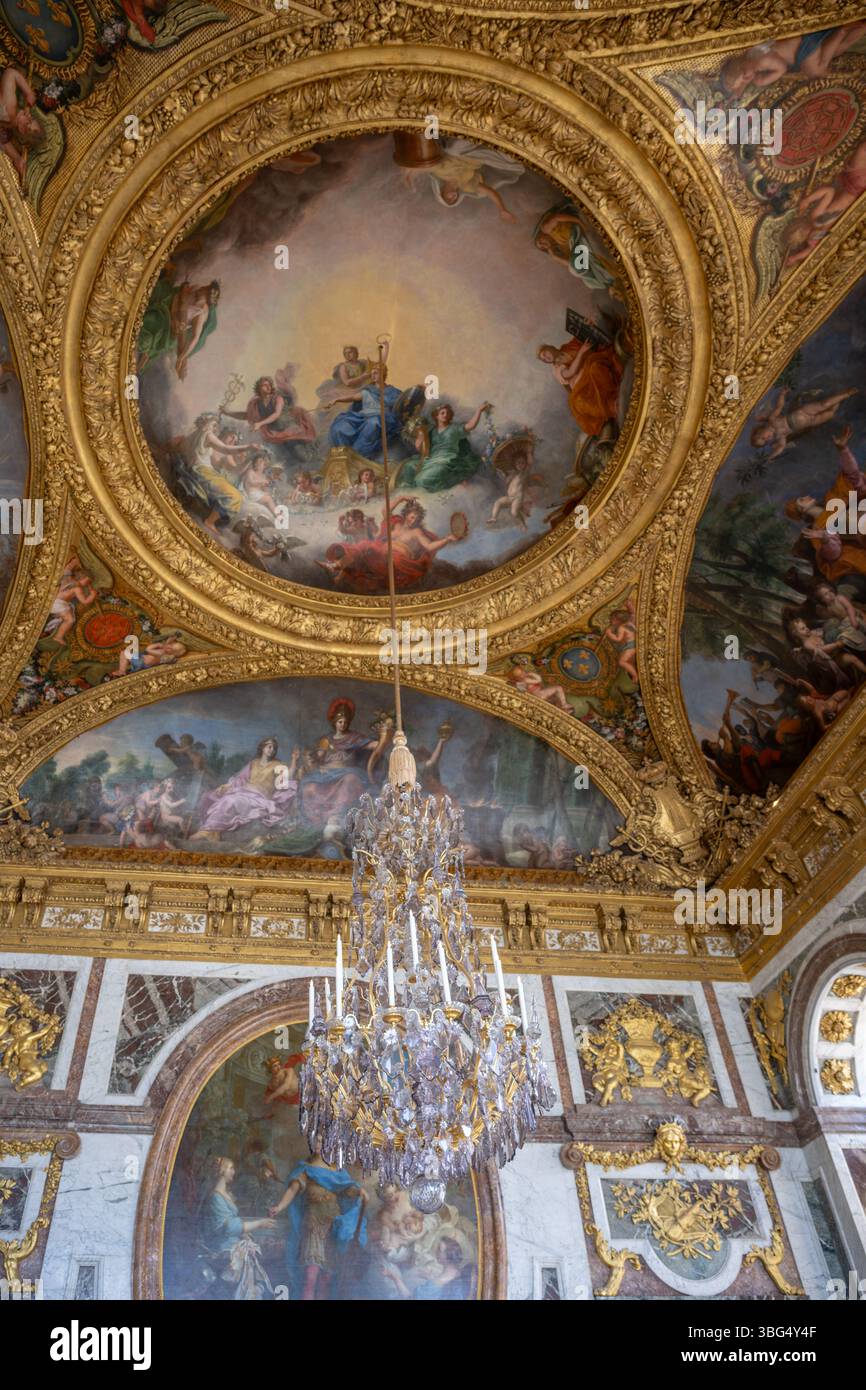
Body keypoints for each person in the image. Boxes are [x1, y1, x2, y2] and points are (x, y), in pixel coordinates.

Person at [268, 1155, 367, 1301]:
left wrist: (360, 1192)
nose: (319, 1144)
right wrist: (279, 1206)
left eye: (322, 1140)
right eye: (316, 1140)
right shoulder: (306, 1168)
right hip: (313, 1224)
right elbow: (292, 1190)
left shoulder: (336, 1169)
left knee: (325, 1280)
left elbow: (348, 1189)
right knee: (311, 1275)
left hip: (332, 1226)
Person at [298, 699, 388, 826]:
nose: (343, 724)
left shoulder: (354, 738)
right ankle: (316, 821)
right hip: (326, 774)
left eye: (346, 722)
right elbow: (318, 758)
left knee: (351, 779)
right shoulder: (326, 740)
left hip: (345, 771)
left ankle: (337, 816)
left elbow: (377, 746)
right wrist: (316, 763)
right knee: (308, 787)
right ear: (335, 722)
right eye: (340, 722)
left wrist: (383, 736)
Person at [190, 737, 300, 840]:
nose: (272, 749)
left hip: (260, 798)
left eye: (274, 748)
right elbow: (240, 779)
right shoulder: (253, 763)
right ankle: (211, 831)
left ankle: (209, 830)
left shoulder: (278, 764)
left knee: (231, 800)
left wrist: (294, 760)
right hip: (244, 792)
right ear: (262, 747)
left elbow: (286, 779)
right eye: (269, 746)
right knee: (216, 797)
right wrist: (228, 785)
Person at [201, 1156, 276, 1301]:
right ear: (222, 1171)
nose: (234, 1172)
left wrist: (244, 1235)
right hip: (223, 1246)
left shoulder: (225, 1194)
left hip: (233, 1242)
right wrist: (259, 1223)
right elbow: (229, 1227)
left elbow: (234, 1223)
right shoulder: (216, 1197)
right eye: (231, 1168)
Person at [720, 23, 866, 97]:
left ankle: (842, 30)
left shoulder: (760, 60)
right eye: (746, 81)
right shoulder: (755, 61)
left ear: (741, 63)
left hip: (802, 47)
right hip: (801, 53)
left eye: (744, 74)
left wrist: (765, 80)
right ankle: (861, 26)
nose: (749, 77)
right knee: (838, 50)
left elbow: (781, 67)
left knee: (815, 71)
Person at [537, 337, 623, 439]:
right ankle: (612, 407)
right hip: (581, 386)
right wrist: (581, 352)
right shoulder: (556, 369)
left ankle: (614, 393)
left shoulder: (567, 347)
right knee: (579, 401)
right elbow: (570, 372)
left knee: (596, 367)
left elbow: (581, 337)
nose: (546, 358)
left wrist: (588, 324)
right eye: (544, 359)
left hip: (590, 367)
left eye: (545, 354)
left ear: (550, 348)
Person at [138, 278, 220, 379]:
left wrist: (181, 358)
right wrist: (173, 315)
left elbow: (195, 337)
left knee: (151, 332)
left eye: (206, 288)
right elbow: (177, 297)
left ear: (207, 295)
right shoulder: (196, 289)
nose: (203, 287)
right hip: (167, 310)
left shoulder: (201, 312)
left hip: (170, 328)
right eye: (206, 286)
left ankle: (144, 354)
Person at [398, 402, 491, 492]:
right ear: (436, 416)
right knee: (409, 466)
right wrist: (421, 435)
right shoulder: (432, 431)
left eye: (447, 413)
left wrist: (479, 410)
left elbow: (471, 425)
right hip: (430, 459)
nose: (445, 415)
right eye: (442, 413)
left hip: (446, 461)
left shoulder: (454, 428)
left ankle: (421, 491)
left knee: (422, 479)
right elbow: (421, 449)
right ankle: (407, 492)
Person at [750, 387, 857, 459]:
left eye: (762, 438)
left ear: (759, 431)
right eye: (765, 442)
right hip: (810, 422)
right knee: (830, 414)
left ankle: (846, 394)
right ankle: (840, 396)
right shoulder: (780, 436)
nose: (767, 439)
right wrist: (771, 456)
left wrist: (782, 394)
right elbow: (781, 447)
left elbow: (779, 406)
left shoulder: (772, 420)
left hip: (803, 411)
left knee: (824, 404)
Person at [327, 362, 405, 459]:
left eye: (375, 373)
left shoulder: (393, 392)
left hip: (381, 417)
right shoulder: (369, 390)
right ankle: (344, 453)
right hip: (363, 417)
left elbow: (401, 405)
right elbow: (353, 397)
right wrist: (337, 399)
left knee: (373, 423)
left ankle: (357, 454)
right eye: (372, 374)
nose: (373, 376)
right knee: (340, 425)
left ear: (383, 374)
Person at [222, 376, 316, 449]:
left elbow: (276, 414)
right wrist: (228, 413)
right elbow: (246, 416)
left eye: (269, 385)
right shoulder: (255, 404)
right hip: (275, 435)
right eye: (264, 385)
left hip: (291, 429)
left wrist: (260, 423)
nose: (268, 387)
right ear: (259, 388)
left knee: (302, 452)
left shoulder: (278, 398)